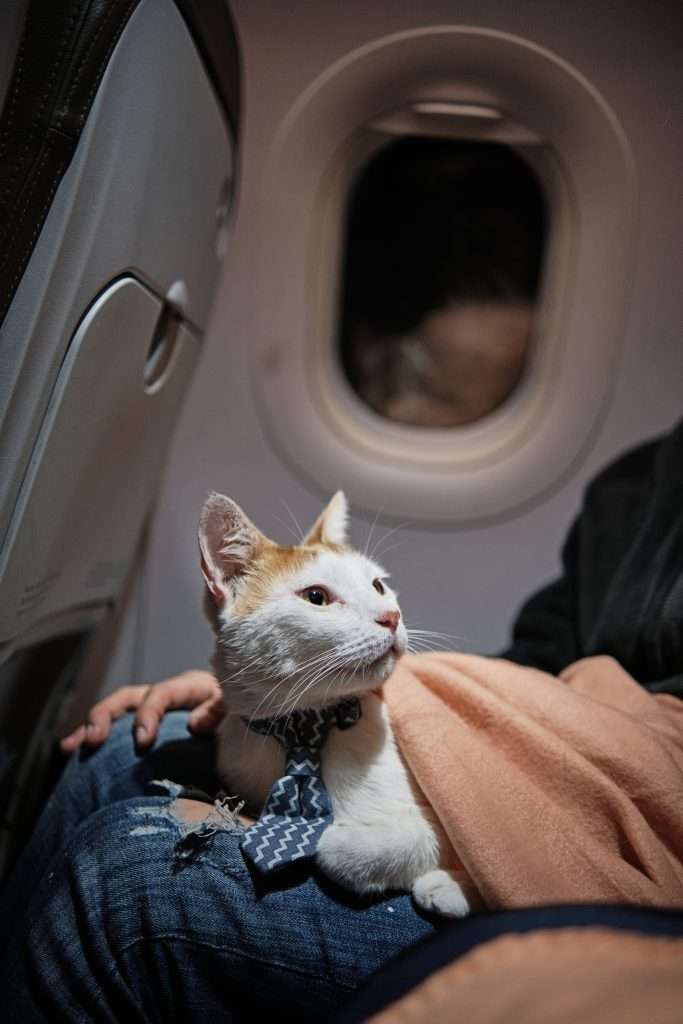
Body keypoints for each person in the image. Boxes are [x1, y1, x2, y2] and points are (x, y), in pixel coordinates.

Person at [0, 416, 682, 1022]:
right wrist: (255, 688)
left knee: (124, 874)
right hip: (521, 706)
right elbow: (533, 661)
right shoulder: (636, 479)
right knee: (115, 751)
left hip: (630, 753)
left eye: (381, 588)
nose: (389, 610)